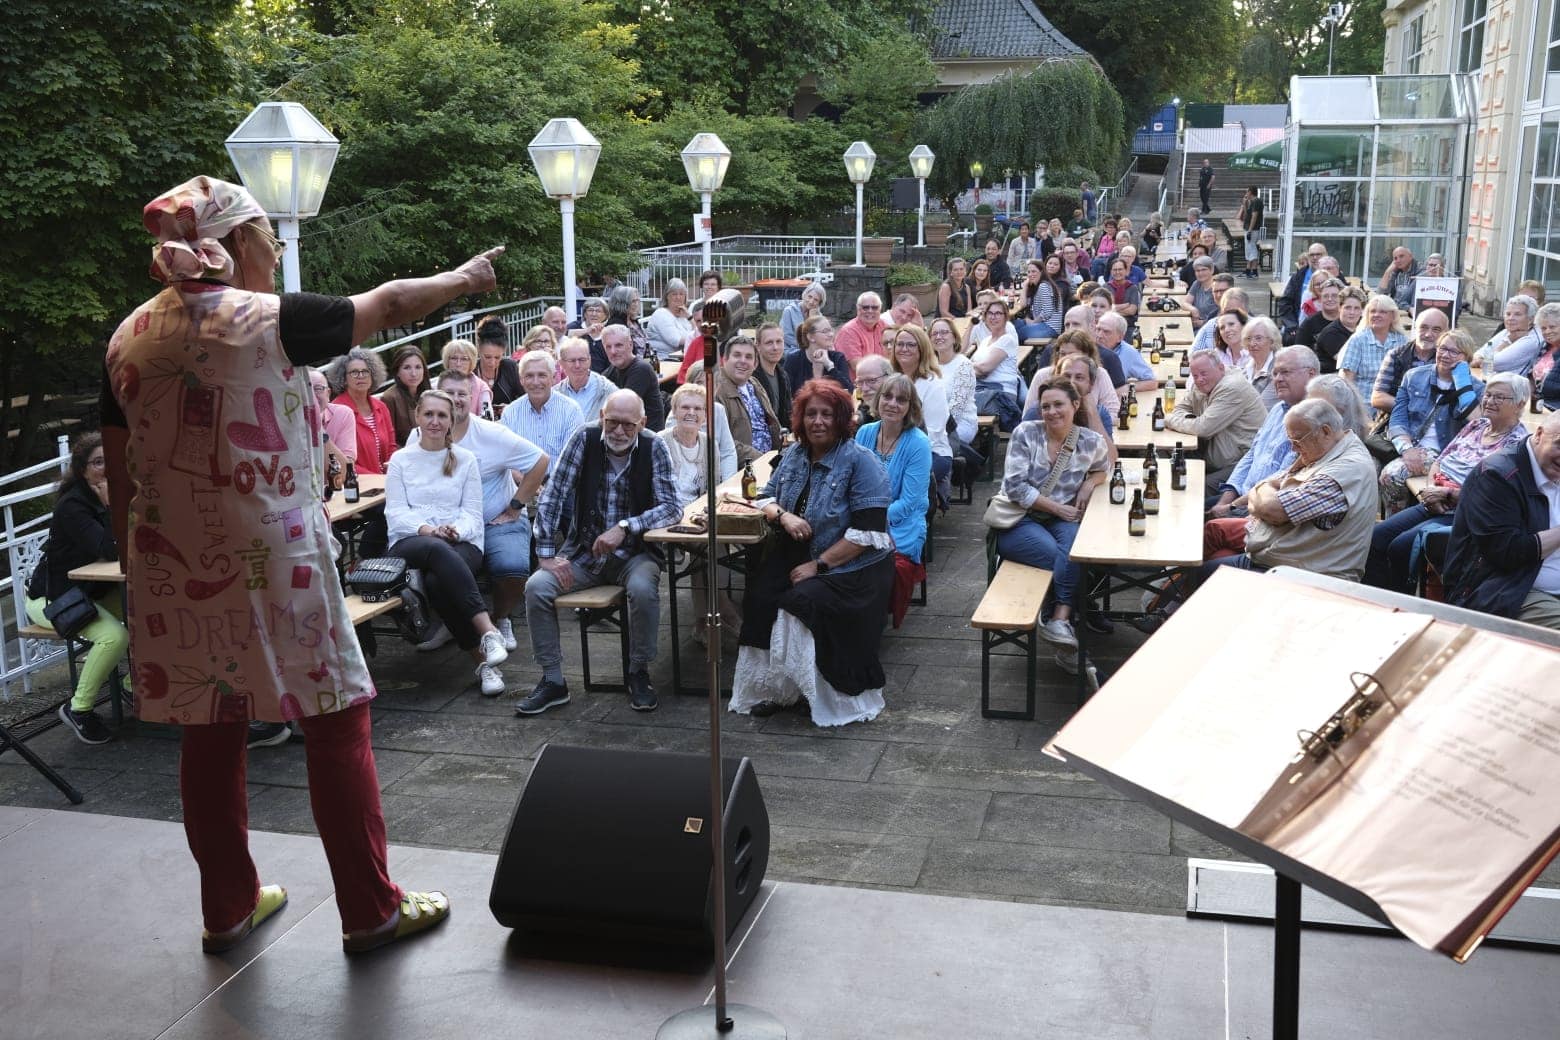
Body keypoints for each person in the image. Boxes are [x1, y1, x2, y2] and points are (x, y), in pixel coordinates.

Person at [102, 176, 491, 955]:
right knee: (336, 723)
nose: (275, 257)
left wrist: (138, 563)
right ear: (238, 243)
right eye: (268, 242)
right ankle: (370, 909)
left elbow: (120, 469)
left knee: (208, 731)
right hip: (278, 563)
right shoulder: (268, 320)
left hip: (170, 567)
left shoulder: (127, 336)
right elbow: (387, 305)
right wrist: (464, 280)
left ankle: (228, 907)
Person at [732, 380, 895, 725]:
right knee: (760, 597)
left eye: (826, 414)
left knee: (801, 603)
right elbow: (764, 497)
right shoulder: (793, 454)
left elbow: (867, 535)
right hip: (799, 552)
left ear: (841, 420)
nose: (818, 421)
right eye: (810, 414)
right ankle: (774, 689)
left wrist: (818, 565)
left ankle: (818, 692)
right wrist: (784, 515)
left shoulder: (861, 462)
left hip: (851, 566)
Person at [518, 390, 683, 715]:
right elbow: (553, 495)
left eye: (628, 425)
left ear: (643, 423)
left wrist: (626, 526)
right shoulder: (585, 438)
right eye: (612, 423)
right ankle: (553, 680)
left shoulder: (654, 446)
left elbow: (673, 507)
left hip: (636, 554)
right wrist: (547, 553)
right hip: (583, 553)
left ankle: (638, 672)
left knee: (642, 588)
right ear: (602, 417)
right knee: (536, 587)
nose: (619, 432)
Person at [407, 368, 547, 653]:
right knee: (435, 575)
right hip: (443, 527)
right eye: (449, 393)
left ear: (472, 398)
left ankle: (500, 618)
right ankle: (453, 623)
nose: (456, 399)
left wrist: (516, 505)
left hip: (495, 520)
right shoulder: (420, 435)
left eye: (462, 394)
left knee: (511, 566)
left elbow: (540, 461)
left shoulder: (491, 434)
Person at [385, 390, 511, 696]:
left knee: (438, 583)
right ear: (417, 417)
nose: (434, 421)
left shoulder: (466, 460)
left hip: (461, 542)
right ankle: (488, 630)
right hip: (411, 541)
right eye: (428, 414)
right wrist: (430, 529)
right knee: (435, 549)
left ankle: (484, 665)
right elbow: (397, 513)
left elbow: (472, 513)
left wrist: (454, 530)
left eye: (442, 415)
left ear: (451, 421)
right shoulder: (400, 460)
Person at [1364, 371, 1530, 594]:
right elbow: (1440, 461)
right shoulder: (1476, 426)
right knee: (1376, 537)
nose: (1489, 401)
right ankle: (1377, 598)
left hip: (1464, 513)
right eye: (1488, 395)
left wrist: (1449, 495)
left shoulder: (1517, 446)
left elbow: (1494, 495)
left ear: (1519, 404)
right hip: (1435, 500)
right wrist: (1433, 489)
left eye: (1499, 397)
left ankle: (1401, 602)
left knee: (1400, 546)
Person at [24, 432, 129, 745]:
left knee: (149, 615)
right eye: (98, 462)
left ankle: (134, 686)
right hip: (53, 598)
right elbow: (111, 549)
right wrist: (112, 505)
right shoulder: (73, 506)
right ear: (83, 470)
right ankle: (78, 709)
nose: (107, 468)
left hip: (92, 588)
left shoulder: (117, 491)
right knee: (115, 636)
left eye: (111, 460)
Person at [1200, 399, 1379, 582]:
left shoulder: (1345, 471)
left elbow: (1272, 509)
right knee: (1217, 536)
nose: (1293, 448)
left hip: (1308, 570)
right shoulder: (1330, 449)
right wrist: (1266, 491)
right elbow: (1274, 485)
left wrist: (1265, 488)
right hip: (1290, 548)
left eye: (1297, 440)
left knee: (1207, 572)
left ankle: (1181, 600)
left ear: (1325, 431)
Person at [995, 378, 1109, 649]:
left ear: (1075, 404)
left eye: (1059, 404)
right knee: (1060, 557)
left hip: (1061, 520)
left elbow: (1104, 468)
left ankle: (1060, 619)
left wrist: (1089, 483)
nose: (1052, 412)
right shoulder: (1026, 432)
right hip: (1019, 519)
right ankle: (1058, 614)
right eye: (1045, 406)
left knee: (1076, 552)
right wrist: (1059, 508)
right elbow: (1015, 488)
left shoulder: (1091, 441)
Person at [1443, 409, 1560, 630]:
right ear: (1539, 434)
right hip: (1504, 588)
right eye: (1559, 444)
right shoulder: (1497, 475)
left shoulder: (1550, 468)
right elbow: (1507, 553)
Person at [1207, 347, 1322, 534]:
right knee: (1191, 508)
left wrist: (1231, 507)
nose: (1277, 379)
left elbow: (1282, 478)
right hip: (1242, 497)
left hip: (1264, 508)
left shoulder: (1313, 420)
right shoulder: (1277, 409)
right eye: (1275, 373)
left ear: (1311, 374)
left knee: (1205, 529)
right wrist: (1226, 500)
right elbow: (1251, 455)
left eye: (1285, 372)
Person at [658, 383, 739, 647]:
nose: (691, 413)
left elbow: (711, 487)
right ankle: (719, 610)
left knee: (714, 541)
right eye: (685, 407)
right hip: (666, 516)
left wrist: (706, 511)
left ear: (705, 415)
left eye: (697, 408)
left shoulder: (709, 443)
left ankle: (706, 618)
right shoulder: (661, 441)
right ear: (674, 411)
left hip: (697, 515)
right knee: (709, 547)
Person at [854, 373, 931, 627]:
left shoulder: (918, 443)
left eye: (901, 399)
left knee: (879, 565)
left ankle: (871, 622)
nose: (892, 404)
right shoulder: (864, 433)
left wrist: (870, 521)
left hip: (902, 523)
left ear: (911, 407)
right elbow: (852, 482)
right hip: (863, 516)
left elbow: (909, 502)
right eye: (887, 396)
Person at [1379, 329, 1482, 513]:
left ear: (1466, 358)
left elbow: (1479, 424)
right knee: (1374, 468)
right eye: (1442, 348)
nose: (1445, 355)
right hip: (1410, 446)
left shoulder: (1476, 387)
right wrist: (1407, 449)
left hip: (1445, 454)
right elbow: (1398, 419)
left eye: (1454, 352)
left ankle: (1399, 521)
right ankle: (1392, 523)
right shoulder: (1414, 376)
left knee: (1392, 474)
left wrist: (1462, 383)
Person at [1165, 348, 1269, 493]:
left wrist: (1169, 420)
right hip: (1214, 454)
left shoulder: (1232, 387)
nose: (1199, 379)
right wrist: (1190, 420)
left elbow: (1203, 428)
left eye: (1204, 373)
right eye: (1195, 375)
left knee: (1195, 488)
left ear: (1220, 368)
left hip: (1242, 462)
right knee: (1167, 462)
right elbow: (1180, 409)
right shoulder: (1201, 385)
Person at [889, 324, 953, 504]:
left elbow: (934, 431)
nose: (904, 349)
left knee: (896, 477)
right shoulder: (890, 380)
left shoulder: (933, 384)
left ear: (922, 349)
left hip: (931, 452)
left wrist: (899, 454)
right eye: (900, 344)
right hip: (891, 450)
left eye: (911, 345)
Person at [500, 349, 585, 468]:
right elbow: (505, 459)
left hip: (560, 483)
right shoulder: (510, 413)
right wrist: (531, 485)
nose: (535, 382)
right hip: (521, 484)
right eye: (529, 376)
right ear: (521, 380)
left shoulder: (571, 410)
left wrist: (546, 486)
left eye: (542, 375)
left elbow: (573, 460)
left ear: (554, 377)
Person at [713, 334, 783, 465]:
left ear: (755, 364)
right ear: (725, 359)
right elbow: (720, 442)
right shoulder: (716, 390)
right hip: (744, 468)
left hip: (771, 458)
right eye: (737, 355)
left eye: (749, 357)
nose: (743, 361)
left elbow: (770, 424)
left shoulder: (754, 383)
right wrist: (762, 460)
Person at [1370, 305, 1452, 413]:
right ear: (1415, 328)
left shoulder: (1449, 359)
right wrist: (1414, 409)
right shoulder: (1397, 355)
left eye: (1436, 329)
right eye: (1423, 327)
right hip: (1398, 420)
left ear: (1445, 333)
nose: (1428, 334)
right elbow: (1377, 398)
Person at [329, 347, 397, 474]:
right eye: (354, 372)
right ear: (344, 378)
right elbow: (339, 459)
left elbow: (391, 447)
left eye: (365, 371)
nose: (360, 376)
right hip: (356, 483)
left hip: (385, 480)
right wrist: (377, 479)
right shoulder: (336, 411)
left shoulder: (381, 406)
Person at [1338, 294, 1407, 406]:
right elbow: (1346, 380)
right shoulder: (1358, 340)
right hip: (1364, 405)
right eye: (1373, 311)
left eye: (1382, 312)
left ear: (1393, 316)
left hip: (1393, 403)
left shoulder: (1402, 340)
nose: (1376, 315)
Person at [970, 297, 1024, 430]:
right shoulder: (985, 341)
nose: (993, 317)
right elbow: (976, 369)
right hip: (981, 390)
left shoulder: (1007, 340)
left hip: (1000, 395)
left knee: (958, 403)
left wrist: (966, 366)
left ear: (1006, 317)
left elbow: (985, 368)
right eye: (990, 313)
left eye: (998, 313)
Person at [601, 323, 666, 430]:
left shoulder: (641, 369)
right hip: (626, 432)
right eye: (608, 347)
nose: (613, 351)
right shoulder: (612, 369)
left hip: (646, 437)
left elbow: (622, 408)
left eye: (618, 345)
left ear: (630, 345)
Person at [930, 317, 979, 454]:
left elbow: (956, 410)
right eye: (934, 333)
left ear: (954, 337)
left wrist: (932, 430)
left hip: (959, 424)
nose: (939, 336)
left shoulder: (963, 365)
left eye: (944, 332)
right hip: (932, 424)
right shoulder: (930, 367)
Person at [1473, 294, 1542, 374]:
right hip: (1492, 380)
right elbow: (1479, 353)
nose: (1510, 318)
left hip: (1512, 385)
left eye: (1517, 314)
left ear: (1530, 319)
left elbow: (1492, 364)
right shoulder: (1508, 331)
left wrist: (1506, 342)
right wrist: (1479, 359)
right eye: (1508, 314)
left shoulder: (1532, 340)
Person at [785, 314, 853, 395]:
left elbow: (849, 390)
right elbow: (787, 393)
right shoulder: (793, 360)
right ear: (811, 337)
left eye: (831, 330)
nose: (831, 334)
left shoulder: (837, 358)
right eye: (825, 331)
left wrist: (829, 365)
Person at [309, 366, 357, 476]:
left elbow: (346, 472)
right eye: (306, 390)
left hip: (334, 489)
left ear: (328, 394)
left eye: (318, 389)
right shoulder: (288, 421)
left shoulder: (343, 414)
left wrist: (317, 428)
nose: (311, 396)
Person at [376, 345, 429, 447]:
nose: (413, 374)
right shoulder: (389, 398)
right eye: (407, 368)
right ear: (397, 372)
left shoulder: (429, 394)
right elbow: (388, 440)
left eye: (418, 367)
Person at [555, 336, 614, 421]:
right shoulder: (555, 394)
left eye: (582, 360)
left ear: (589, 360)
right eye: (572, 361)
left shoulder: (607, 391)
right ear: (561, 363)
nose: (577, 365)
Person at [1314, 284, 1367, 376]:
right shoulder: (1330, 333)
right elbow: (1347, 363)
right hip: (1332, 378)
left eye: (1356, 308)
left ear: (1362, 311)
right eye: (1347, 308)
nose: (1352, 312)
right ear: (1339, 308)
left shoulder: (1364, 328)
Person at [1095, 311, 1157, 388]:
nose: (1099, 335)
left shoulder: (1128, 352)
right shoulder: (1086, 346)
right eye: (1098, 329)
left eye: (1106, 332)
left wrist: (1127, 388)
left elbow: (1152, 382)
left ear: (1120, 337)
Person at [436, 338, 494, 418]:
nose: (458, 364)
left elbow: (487, 418)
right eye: (454, 358)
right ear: (447, 361)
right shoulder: (434, 385)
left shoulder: (481, 387)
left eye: (464, 359)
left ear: (471, 362)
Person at [752, 322, 793, 431]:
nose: (775, 347)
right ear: (758, 346)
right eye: (769, 343)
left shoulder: (783, 375)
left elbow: (788, 414)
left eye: (779, 342)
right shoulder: (750, 378)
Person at [1015, 255, 1068, 342]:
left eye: (1034, 272)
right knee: (1013, 325)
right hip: (1042, 324)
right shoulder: (1036, 286)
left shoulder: (1043, 286)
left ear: (1041, 272)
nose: (1030, 274)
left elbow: (1047, 312)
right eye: (1028, 272)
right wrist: (1024, 287)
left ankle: (1026, 354)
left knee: (1015, 333)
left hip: (1050, 327)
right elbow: (1023, 304)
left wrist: (1033, 322)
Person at [475, 317, 523, 410]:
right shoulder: (471, 370)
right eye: (487, 357)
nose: (492, 363)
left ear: (504, 351)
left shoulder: (510, 367)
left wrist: (510, 409)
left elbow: (526, 399)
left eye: (497, 357)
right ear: (478, 349)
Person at [1277, 243, 1329, 329]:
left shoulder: (1334, 275)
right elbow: (1285, 303)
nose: (1315, 257)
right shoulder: (1298, 276)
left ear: (1326, 255)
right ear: (1308, 258)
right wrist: (1291, 325)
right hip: (1297, 325)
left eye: (1318, 254)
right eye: (1312, 255)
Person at [834, 292, 888, 373]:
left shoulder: (883, 325)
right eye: (865, 307)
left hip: (880, 379)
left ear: (880, 309)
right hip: (858, 383)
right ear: (858, 309)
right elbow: (857, 366)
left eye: (874, 308)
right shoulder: (849, 331)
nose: (870, 311)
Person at [1290, 277, 1342, 358]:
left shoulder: (1349, 322)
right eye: (1325, 296)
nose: (1330, 299)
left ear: (1342, 299)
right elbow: (1298, 353)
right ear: (1320, 299)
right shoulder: (1309, 324)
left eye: (1335, 296)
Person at [645, 277, 697, 359]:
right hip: (663, 360)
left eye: (681, 294)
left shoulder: (684, 314)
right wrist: (697, 335)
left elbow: (696, 333)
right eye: (674, 294)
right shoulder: (661, 314)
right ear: (667, 296)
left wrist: (690, 318)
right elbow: (676, 341)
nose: (678, 297)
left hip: (681, 357)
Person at [1241, 317, 1282, 408]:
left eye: (1258, 338)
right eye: (1248, 338)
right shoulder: (1245, 368)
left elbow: (1262, 406)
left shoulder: (1278, 369)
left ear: (1271, 341)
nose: (1252, 343)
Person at [606, 284, 652, 362]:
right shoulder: (616, 324)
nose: (636, 304)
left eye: (637, 300)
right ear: (622, 303)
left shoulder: (633, 321)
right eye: (633, 301)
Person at [781, 281, 826, 354]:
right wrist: (806, 347)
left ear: (819, 303)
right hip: (791, 349)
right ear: (805, 295)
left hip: (810, 351)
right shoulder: (789, 311)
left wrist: (812, 319)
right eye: (810, 296)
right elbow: (786, 336)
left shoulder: (819, 316)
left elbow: (819, 338)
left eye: (816, 300)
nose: (811, 301)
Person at [571, 296, 610, 371]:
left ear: (605, 316)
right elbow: (564, 336)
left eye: (598, 311)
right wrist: (587, 330)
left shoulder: (609, 333)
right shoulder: (575, 326)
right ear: (585, 314)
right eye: (590, 310)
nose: (594, 314)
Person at [1377, 246, 1421, 310]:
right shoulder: (1396, 271)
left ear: (1410, 256)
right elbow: (1380, 293)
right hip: (1396, 309)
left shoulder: (1419, 269)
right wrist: (1387, 272)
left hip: (1410, 310)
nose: (1398, 260)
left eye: (1401, 256)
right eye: (1395, 258)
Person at [1238, 186, 1265, 279]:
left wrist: (1250, 230)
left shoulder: (1256, 202)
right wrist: (1245, 204)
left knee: (1252, 248)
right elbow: (1247, 215)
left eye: (1247, 192)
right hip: (1249, 227)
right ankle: (1248, 270)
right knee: (1249, 249)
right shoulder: (1251, 202)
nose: (1246, 194)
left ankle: (1254, 271)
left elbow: (1254, 216)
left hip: (1253, 229)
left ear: (1250, 192)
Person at [1184, 257, 1219, 328]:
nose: (1200, 273)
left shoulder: (1218, 288)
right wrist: (1193, 309)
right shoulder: (1197, 284)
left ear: (1212, 270)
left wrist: (1203, 323)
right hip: (1196, 325)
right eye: (1197, 271)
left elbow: (1223, 314)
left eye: (1204, 270)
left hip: (1211, 328)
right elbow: (1185, 303)